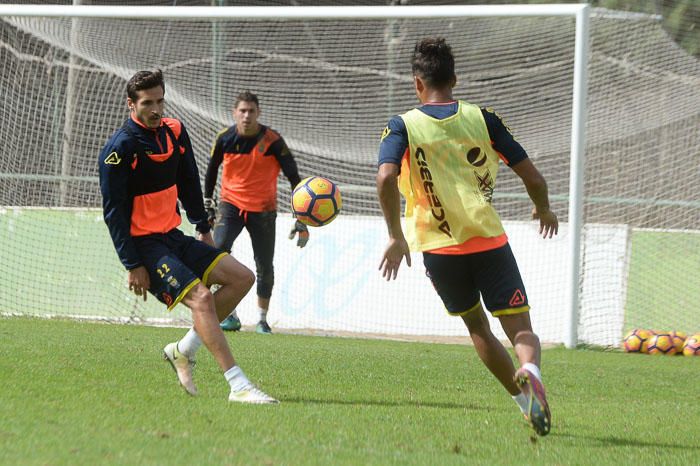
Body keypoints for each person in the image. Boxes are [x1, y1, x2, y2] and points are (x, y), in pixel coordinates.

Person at [376, 38, 557, 436]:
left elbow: (386, 175)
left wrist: (395, 236)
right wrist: (543, 209)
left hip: (439, 248)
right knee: (520, 328)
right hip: (489, 240)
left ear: (417, 84)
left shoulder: (402, 125)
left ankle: (523, 398)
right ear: (454, 79)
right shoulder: (484, 118)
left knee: (478, 328)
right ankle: (530, 369)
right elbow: (534, 178)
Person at [99, 70, 277, 404]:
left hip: (173, 235)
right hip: (145, 246)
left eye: (160, 100)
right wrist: (132, 263)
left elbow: (189, 181)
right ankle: (238, 385)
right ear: (131, 104)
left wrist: (203, 227)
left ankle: (183, 350)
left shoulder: (176, 131)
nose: (155, 109)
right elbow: (114, 213)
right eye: (147, 103)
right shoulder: (119, 149)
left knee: (242, 278)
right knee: (202, 299)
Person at [203, 91, 307, 335]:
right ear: (234, 113)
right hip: (230, 206)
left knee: (264, 264)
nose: (246, 115)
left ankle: (262, 320)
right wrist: (208, 203)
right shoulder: (225, 138)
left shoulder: (272, 140)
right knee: (216, 254)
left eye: (251, 111)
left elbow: (294, 178)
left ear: (258, 113)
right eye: (242, 111)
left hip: (263, 210)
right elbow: (210, 172)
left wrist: (300, 216)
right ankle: (229, 315)